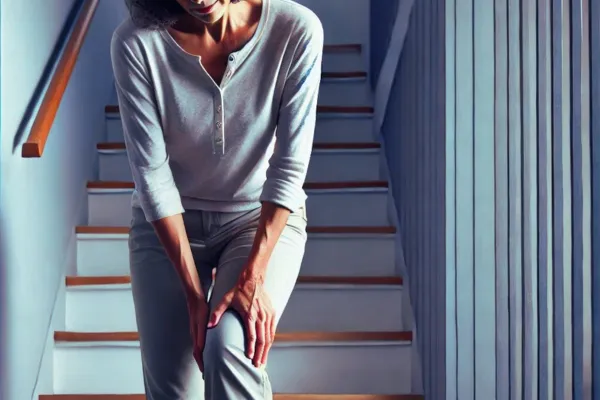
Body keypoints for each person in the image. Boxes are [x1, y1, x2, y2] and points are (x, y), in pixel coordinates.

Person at [110, 0, 324, 398]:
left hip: (254, 220)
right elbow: (152, 177)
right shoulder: (136, 42)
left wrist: (253, 275)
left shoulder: (296, 29)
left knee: (229, 346)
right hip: (169, 225)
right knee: (173, 388)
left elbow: (289, 166)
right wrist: (194, 295)